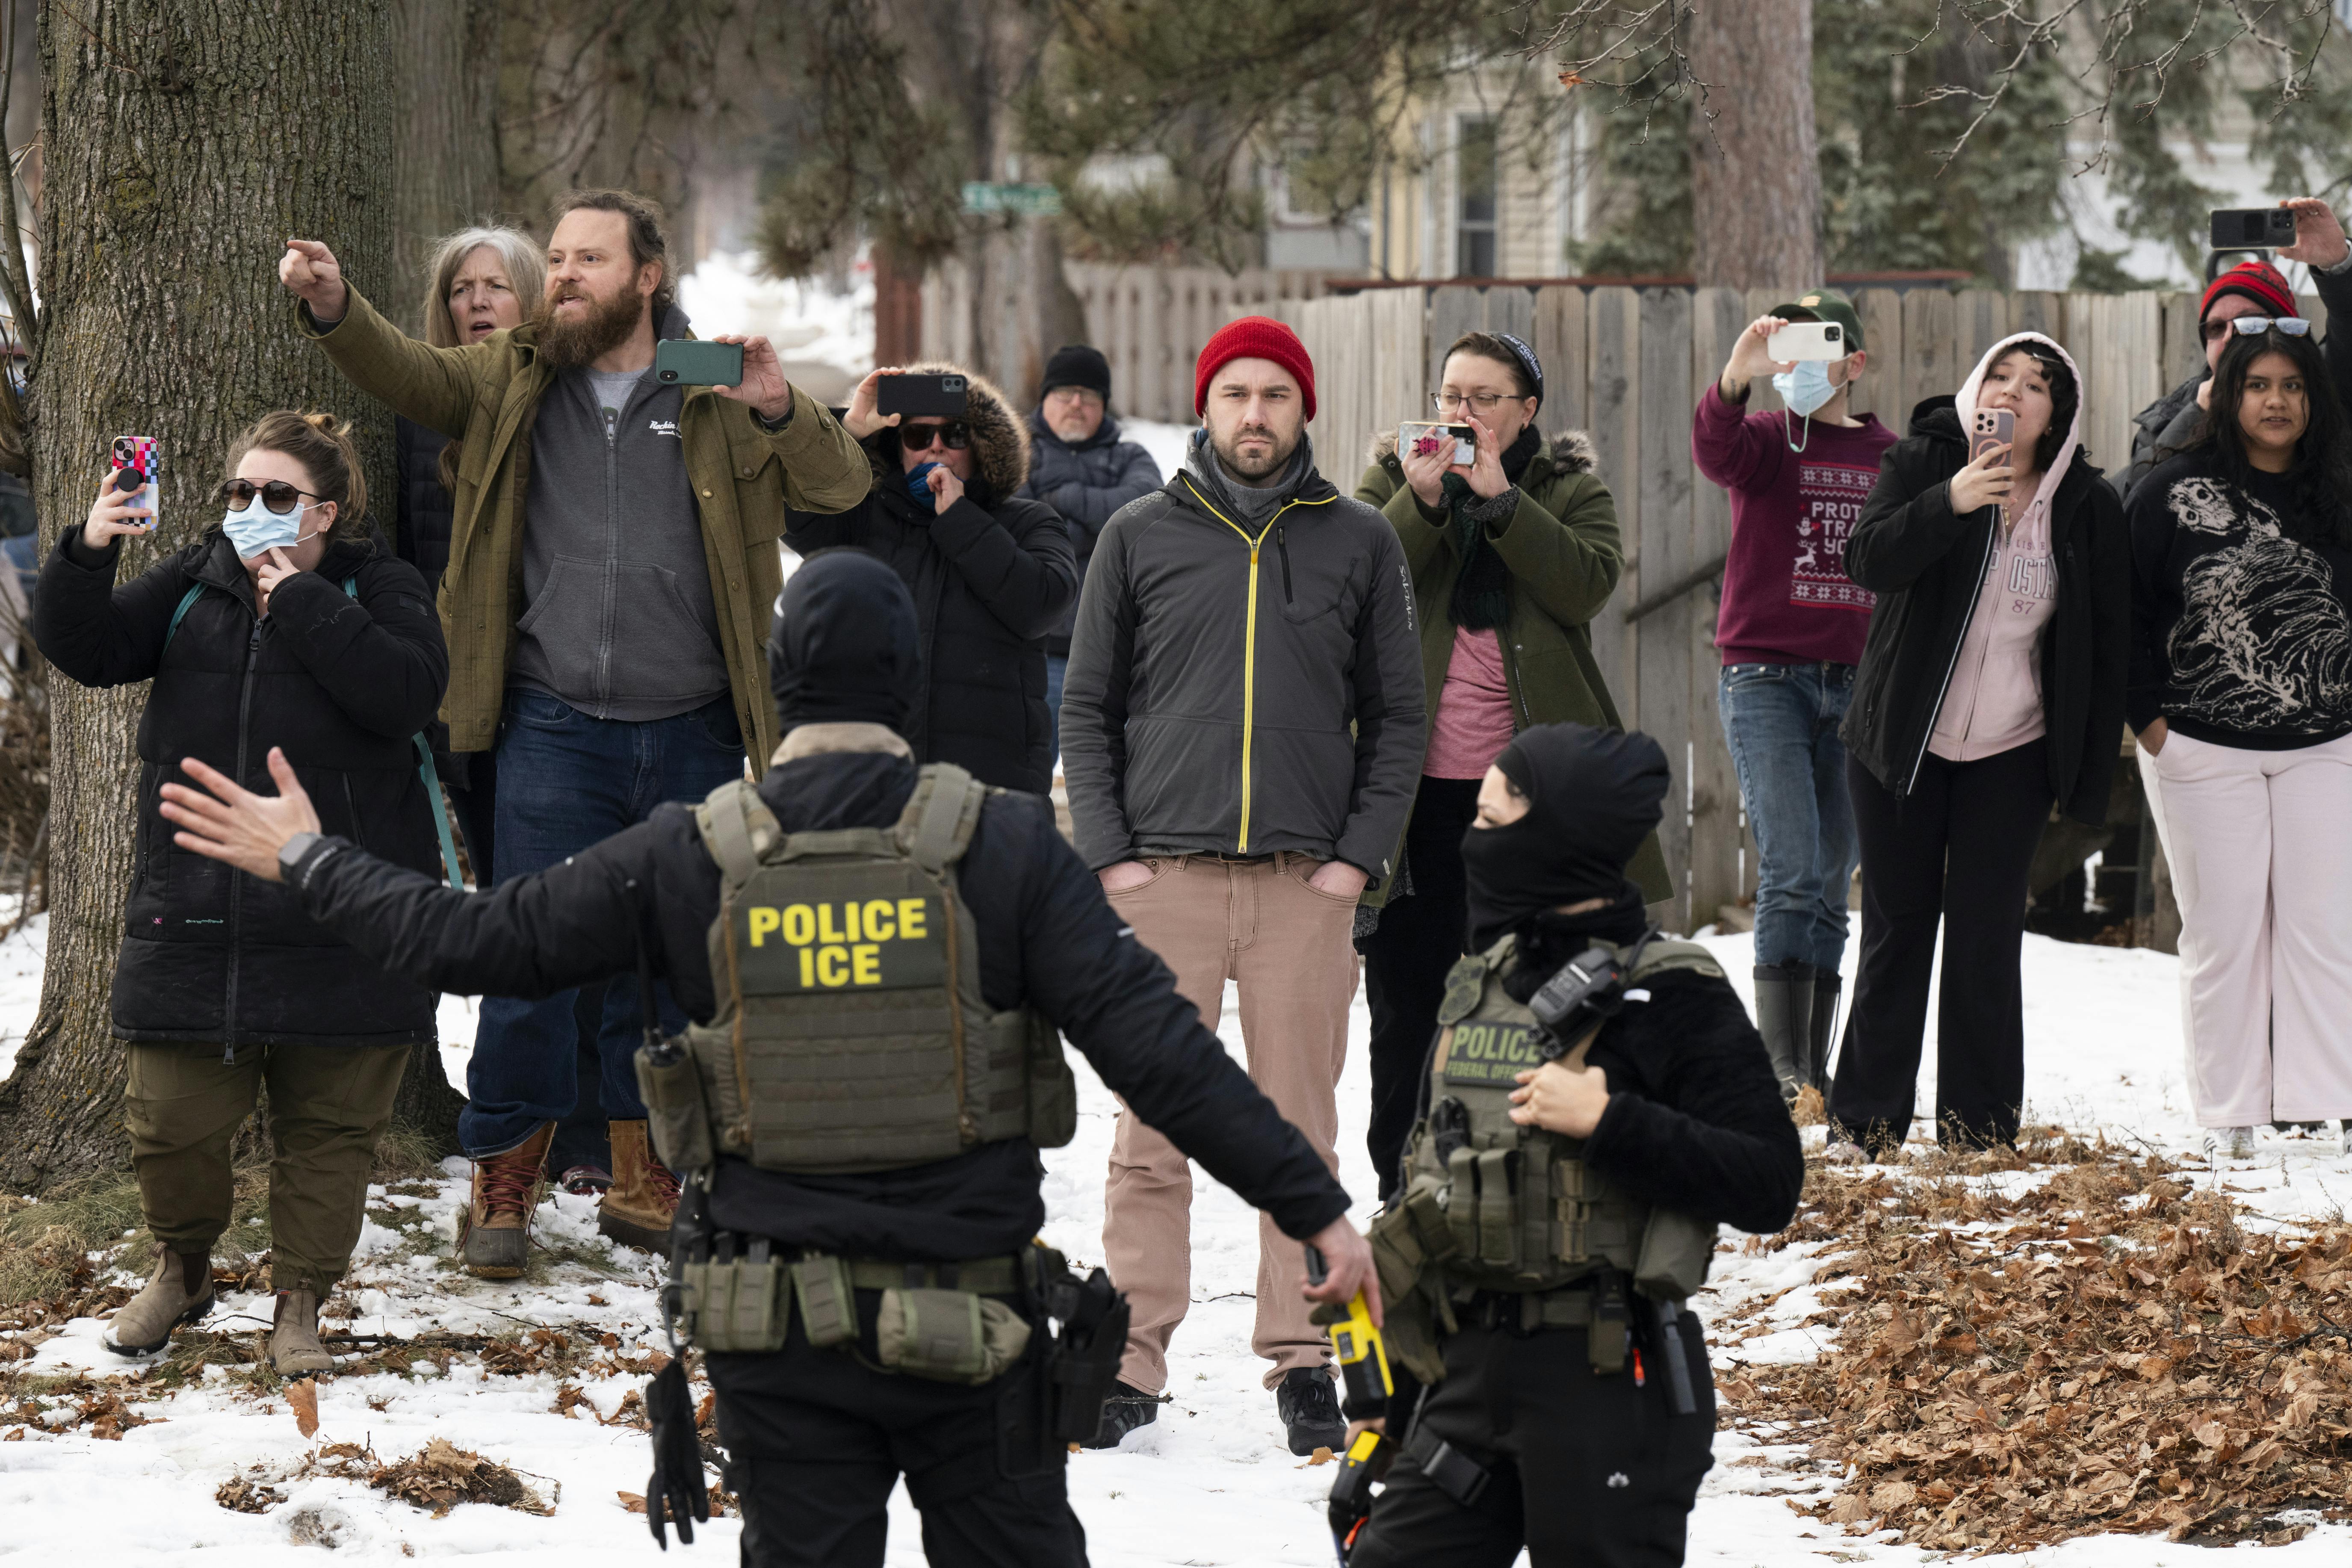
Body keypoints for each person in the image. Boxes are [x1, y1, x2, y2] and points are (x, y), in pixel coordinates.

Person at [153, 546, 1381, 1568]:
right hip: (976, 1331)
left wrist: (314, 858)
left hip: (779, 1343)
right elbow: (1163, 1054)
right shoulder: (1003, 848)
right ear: (905, 682)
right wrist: (1315, 1211)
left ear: (779, 681)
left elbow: (477, 941)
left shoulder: (687, 851)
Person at [279, 188, 871, 1275]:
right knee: (527, 957)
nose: (561, 275)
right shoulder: (518, 370)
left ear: (647, 276)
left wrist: (785, 407)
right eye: (554, 257)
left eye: (587, 259)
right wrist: (332, 305)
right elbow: (409, 372)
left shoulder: (707, 375)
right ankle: (504, 1173)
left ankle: (652, 1169)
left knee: (669, 962)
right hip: (549, 721)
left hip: (694, 724)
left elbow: (839, 485)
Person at [1061, 315, 1424, 1454]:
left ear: (1302, 410)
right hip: (1159, 878)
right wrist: (1112, 856)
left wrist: (1354, 859)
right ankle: (1127, 1357)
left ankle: (1304, 1354)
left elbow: (1399, 716)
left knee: (1299, 1136)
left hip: (1299, 889)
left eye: (1275, 395)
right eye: (1235, 396)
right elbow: (1085, 707)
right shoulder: (1137, 534)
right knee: (1147, 1134)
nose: (1255, 414)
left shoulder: (1359, 540)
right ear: (1205, 407)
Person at [31, 411, 448, 1377]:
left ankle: (300, 1298)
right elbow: (86, 644)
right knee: (168, 1119)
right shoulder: (195, 578)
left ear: (326, 511)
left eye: (273, 497)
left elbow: (405, 690)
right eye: (235, 494)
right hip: (197, 909)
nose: (247, 513)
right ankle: (181, 1268)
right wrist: (92, 543)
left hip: (340, 914)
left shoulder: (378, 584)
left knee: (329, 1134)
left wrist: (298, 598)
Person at [1345, 722, 1802, 1568]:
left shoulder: (1667, 993)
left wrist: (1609, 1123)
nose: (1470, 842)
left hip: (1602, 1379)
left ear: (1554, 839)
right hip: (1464, 1371)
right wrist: (1392, 1393)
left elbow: (1769, 1180)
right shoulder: (1479, 983)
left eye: (1491, 820)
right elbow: (1430, 1195)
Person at [1352, 329, 1665, 1201]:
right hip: (1412, 803)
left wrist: (1502, 508)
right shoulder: (1393, 475)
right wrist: (1421, 502)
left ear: (1525, 411)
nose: (1461, 414)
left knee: (1534, 1001)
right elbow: (1354, 579)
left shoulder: (1567, 488)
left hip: (1530, 806)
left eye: (1482, 398)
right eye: (1451, 395)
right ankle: (1404, 1186)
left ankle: (1530, 1183)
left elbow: (1584, 586)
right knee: (1409, 1008)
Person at [1832, 334, 2129, 1159]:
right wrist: (1952, 501)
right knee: (1898, 924)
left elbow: (2105, 648)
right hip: (1901, 740)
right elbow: (1867, 561)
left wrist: (2086, 781)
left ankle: (1979, 1128)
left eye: (2038, 385)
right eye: (2003, 375)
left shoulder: (2086, 504)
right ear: (1976, 386)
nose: (2016, 392)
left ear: (2057, 416)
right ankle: (1866, 1123)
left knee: (1986, 932)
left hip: (2014, 747)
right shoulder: (1923, 461)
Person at [2127, 324, 2352, 1161]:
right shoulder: (2167, 492)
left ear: (2311, 401)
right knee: (2222, 931)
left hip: (2327, 743)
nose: (2274, 401)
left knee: (2322, 924)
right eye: (2256, 385)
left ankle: (2328, 1102)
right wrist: (2147, 720)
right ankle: (2228, 1115)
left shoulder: (2338, 492)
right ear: (2227, 396)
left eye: (2291, 387)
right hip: (2198, 747)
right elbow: (2125, 615)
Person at [1691, 290, 1897, 1100]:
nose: (1803, 368)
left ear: (1856, 363)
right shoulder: (1768, 442)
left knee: (1834, 869)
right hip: (1765, 677)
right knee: (1791, 863)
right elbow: (1714, 449)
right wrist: (1736, 375)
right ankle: (1778, 1067)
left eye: (1822, 349)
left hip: (1858, 684)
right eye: (1790, 351)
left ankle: (1815, 1062)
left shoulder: (1888, 455)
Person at [780, 363, 1077, 794]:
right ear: (897, 448)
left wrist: (959, 519)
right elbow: (797, 517)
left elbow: (1043, 603)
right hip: (876, 784)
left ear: (979, 446)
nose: (935, 449)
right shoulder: (863, 517)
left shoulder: (1027, 522)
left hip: (991, 790)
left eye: (954, 435)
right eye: (918, 437)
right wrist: (849, 433)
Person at [393, 224, 545, 879]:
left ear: (532, 300)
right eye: (462, 289)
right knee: (499, 880)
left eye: (496, 287)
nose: (478, 302)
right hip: (459, 696)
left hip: (548, 689)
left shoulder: (563, 406)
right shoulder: (412, 417)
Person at [2124, 200, 2352, 500]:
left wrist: (2337, 263)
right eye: (2216, 328)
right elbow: (2139, 508)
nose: (2231, 337)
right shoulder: (2167, 419)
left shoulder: (2325, 390)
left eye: (2251, 322)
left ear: (2286, 331)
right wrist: (2196, 418)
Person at [1014, 343, 1161, 762]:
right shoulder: (1016, 452)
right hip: (1038, 655)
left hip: (1116, 660)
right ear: (1045, 399)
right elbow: (1011, 522)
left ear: (1104, 405)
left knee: (1121, 784)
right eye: (1065, 393)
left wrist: (1065, 499)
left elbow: (1144, 512)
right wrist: (1100, 525)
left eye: (1089, 395)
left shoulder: (1129, 456)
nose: (1076, 404)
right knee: (1026, 777)